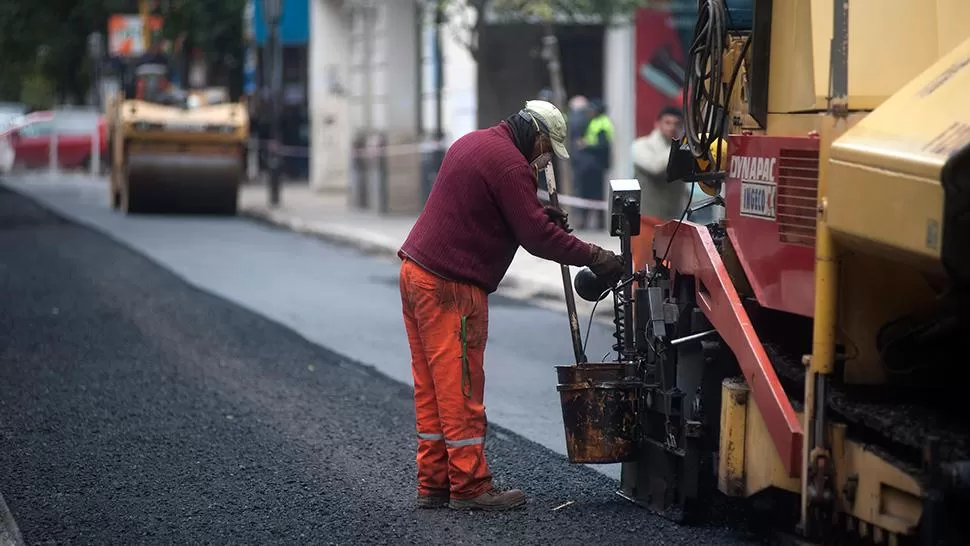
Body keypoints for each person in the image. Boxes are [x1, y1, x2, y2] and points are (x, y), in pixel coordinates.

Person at [397, 100, 625, 512]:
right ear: (537, 136)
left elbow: (507, 215)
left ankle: (434, 483)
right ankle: (469, 487)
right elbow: (538, 238)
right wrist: (595, 255)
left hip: (417, 275)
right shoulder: (510, 165)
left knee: (432, 388)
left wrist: (536, 214)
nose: (544, 161)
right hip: (451, 288)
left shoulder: (476, 143)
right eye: (547, 152)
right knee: (461, 388)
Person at [630, 106, 687, 271]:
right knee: (643, 269)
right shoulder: (641, 146)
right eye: (667, 122)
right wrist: (679, 146)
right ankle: (636, 298)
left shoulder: (681, 149)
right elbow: (655, 167)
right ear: (657, 124)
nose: (672, 127)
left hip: (672, 222)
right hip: (646, 222)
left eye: (676, 124)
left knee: (672, 271)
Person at [573, 99, 614, 230]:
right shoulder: (595, 121)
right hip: (593, 164)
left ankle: (596, 222)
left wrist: (586, 145)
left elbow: (602, 145)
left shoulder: (601, 123)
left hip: (595, 164)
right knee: (590, 192)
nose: (589, 112)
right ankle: (590, 221)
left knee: (594, 192)